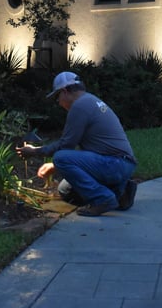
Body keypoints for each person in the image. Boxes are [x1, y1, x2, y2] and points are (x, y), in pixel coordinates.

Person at [16, 71, 138, 217]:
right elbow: (78, 148)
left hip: (114, 164)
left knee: (60, 157)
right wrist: (54, 166)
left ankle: (103, 198)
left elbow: (65, 145)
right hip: (122, 165)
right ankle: (120, 192)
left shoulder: (79, 107)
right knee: (66, 190)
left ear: (65, 91)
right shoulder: (91, 101)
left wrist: (35, 151)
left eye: (57, 97)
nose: (58, 102)